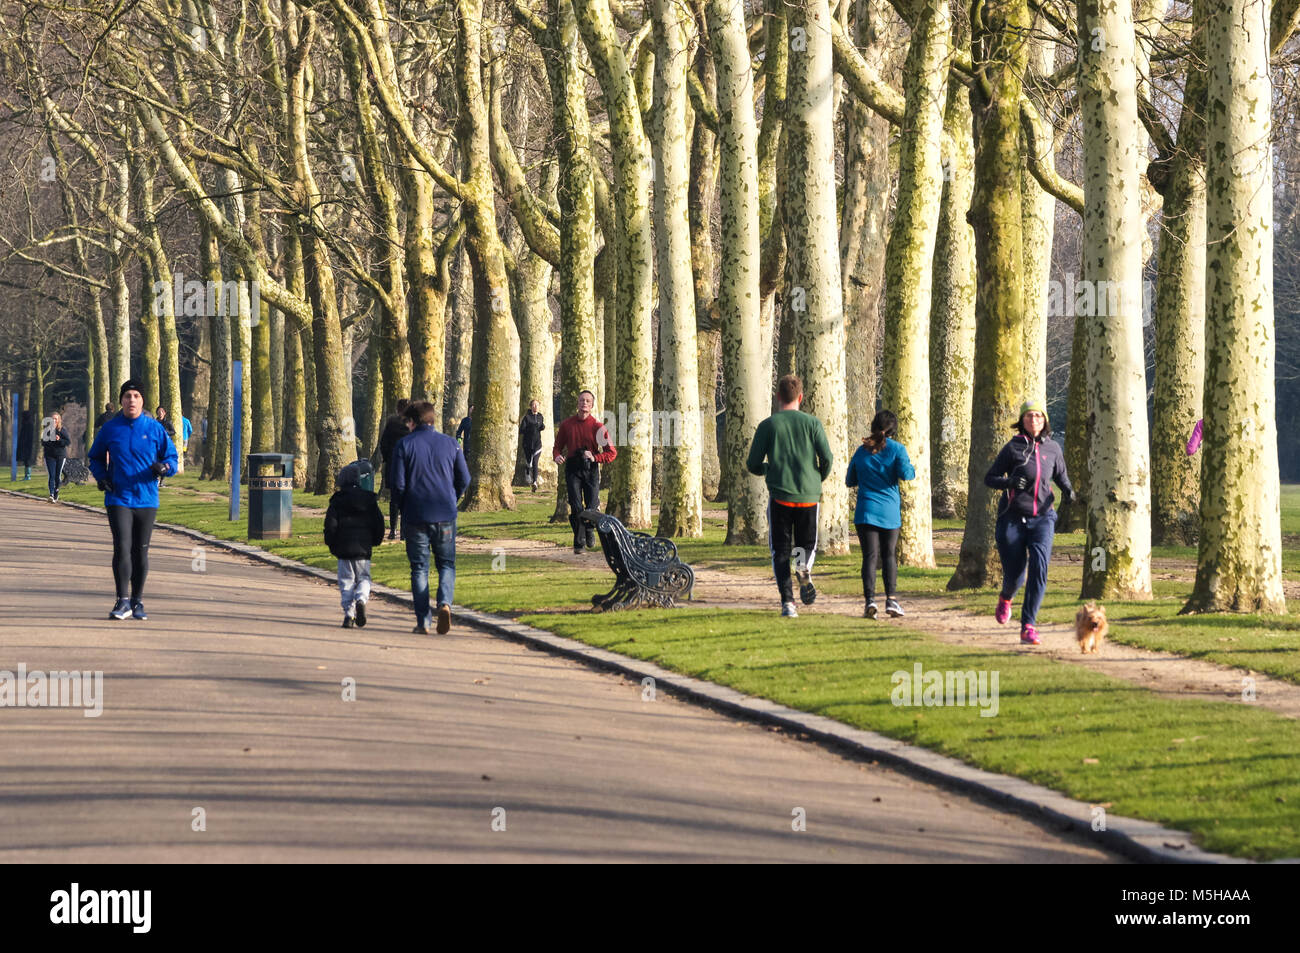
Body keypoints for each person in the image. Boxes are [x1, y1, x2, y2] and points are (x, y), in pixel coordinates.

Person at [985, 398, 1074, 645]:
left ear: (1044, 420)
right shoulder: (1012, 448)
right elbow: (989, 478)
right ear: (1022, 421)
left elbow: (1062, 476)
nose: (1033, 420)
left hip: (1043, 519)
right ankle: (1006, 597)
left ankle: (1028, 625)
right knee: (1015, 575)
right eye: (1028, 416)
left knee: (1039, 569)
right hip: (1011, 518)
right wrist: (1010, 482)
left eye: (1038, 416)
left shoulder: (1054, 448)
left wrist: (1069, 492)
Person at [88, 380, 178, 621]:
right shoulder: (110, 428)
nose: (131, 400)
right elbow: (94, 457)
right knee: (122, 547)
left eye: (136, 395)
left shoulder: (155, 429)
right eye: (127, 396)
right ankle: (122, 601)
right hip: (118, 496)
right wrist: (102, 477)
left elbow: (172, 458)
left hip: (147, 499)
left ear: (143, 400)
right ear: (121, 400)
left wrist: (165, 467)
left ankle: (138, 601)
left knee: (141, 551)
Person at [746, 374, 833, 617]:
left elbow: (752, 463)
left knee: (780, 550)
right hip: (809, 495)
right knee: (806, 544)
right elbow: (827, 458)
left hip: (781, 495)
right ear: (801, 397)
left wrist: (767, 469)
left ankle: (788, 603)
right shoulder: (813, 424)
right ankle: (803, 567)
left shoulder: (768, 425)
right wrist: (817, 478)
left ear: (778, 397)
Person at [391, 400, 470, 635]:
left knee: (419, 567)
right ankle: (445, 603)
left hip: (416, 514)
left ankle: (423, 620)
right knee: (446, 563)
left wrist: (403, 507)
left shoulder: (404, 445)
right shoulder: (451, 444)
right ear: (433, 419)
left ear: (412, 421)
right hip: (445, 512)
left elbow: (397, 484)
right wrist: (451, 497)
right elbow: (464, 478)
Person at [846, 410, 916, 620]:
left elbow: (850, 480)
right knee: (888, 556)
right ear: (894, 429)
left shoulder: (861, 450)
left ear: (874, 426)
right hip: (889, 512)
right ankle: (892, 600)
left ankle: (870, 601)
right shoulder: (898, 449)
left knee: (869, 556)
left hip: (866, 511)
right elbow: (907, 474)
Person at [553, 390, 617, 554]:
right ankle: (579, 542)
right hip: (573, 467)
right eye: (582, 400)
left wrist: (595, 458)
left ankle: (588, 529)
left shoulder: (598, 427)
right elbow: (557, 447)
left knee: (591, 506)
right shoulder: (567, 425)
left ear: (592, 405)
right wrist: (557, 456)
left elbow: (611, 453)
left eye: (588, 401)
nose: (584, 403)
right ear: (577, 403)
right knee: (575, 506)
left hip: (590, 468)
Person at [324, 461, 386, 629]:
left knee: (346, 582)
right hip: (363, 549)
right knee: (364, 578)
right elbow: (378, 524)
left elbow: (330, 525)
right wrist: (376, 540)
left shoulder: (337, 501)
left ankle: (349, 614)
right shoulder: (369, 500)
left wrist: (331, 543)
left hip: (343, 549)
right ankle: (361, 598)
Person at [374, 398, 412, 540]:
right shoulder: (413, 425)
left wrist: (386, 458)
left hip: (393, 464)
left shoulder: (391, 424)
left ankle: (393, 530)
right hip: (409, 465)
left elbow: (383, 443)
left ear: (398, 409)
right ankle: (404, 531)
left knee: (394, 499)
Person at [41, 411, 71, 503]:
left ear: (59, 420)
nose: (54, 420)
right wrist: (50, 440)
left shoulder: (62, 430)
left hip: (60, 456)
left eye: (56, 419)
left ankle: (56, 492)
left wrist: (59, 440)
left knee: (57, 476)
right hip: (49, 456)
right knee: (52, 475)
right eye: (52, 419)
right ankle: (51, 494)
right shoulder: (47, 431)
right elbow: (43, 443)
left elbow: (67, 442)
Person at [520, 398, 546, 492]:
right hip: (527, 443)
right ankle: (527, 472)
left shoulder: (540, 416)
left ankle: (534, 482)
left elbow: (541, 426)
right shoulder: (527, 417)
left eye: (537, 405)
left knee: (535, 462)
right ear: (531, 406)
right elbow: (521, 430)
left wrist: (542, 427)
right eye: (534, 405)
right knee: (529, 462)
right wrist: (530, 428)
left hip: (537, 444)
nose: (535, 406)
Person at [154, 406, 177, 487]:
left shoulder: (168, 422)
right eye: (159, 412)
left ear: (164, 413)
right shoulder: (154, 422)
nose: (160, 413)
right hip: (156, 445)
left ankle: (162, 481)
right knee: (156, 461)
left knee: (164, 463)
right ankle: (156, 479)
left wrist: (166, 433)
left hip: (165, 445)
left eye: (161, 412)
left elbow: (173, 432)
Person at [17, 410, 36, 481]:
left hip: (27, 445)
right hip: (25, 444)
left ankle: (28, 476)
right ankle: (27, 475)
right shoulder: (26, 424)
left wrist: (24, 443)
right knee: (26, 461)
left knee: (27, 460)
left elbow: (28, 436)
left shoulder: (29, 424)